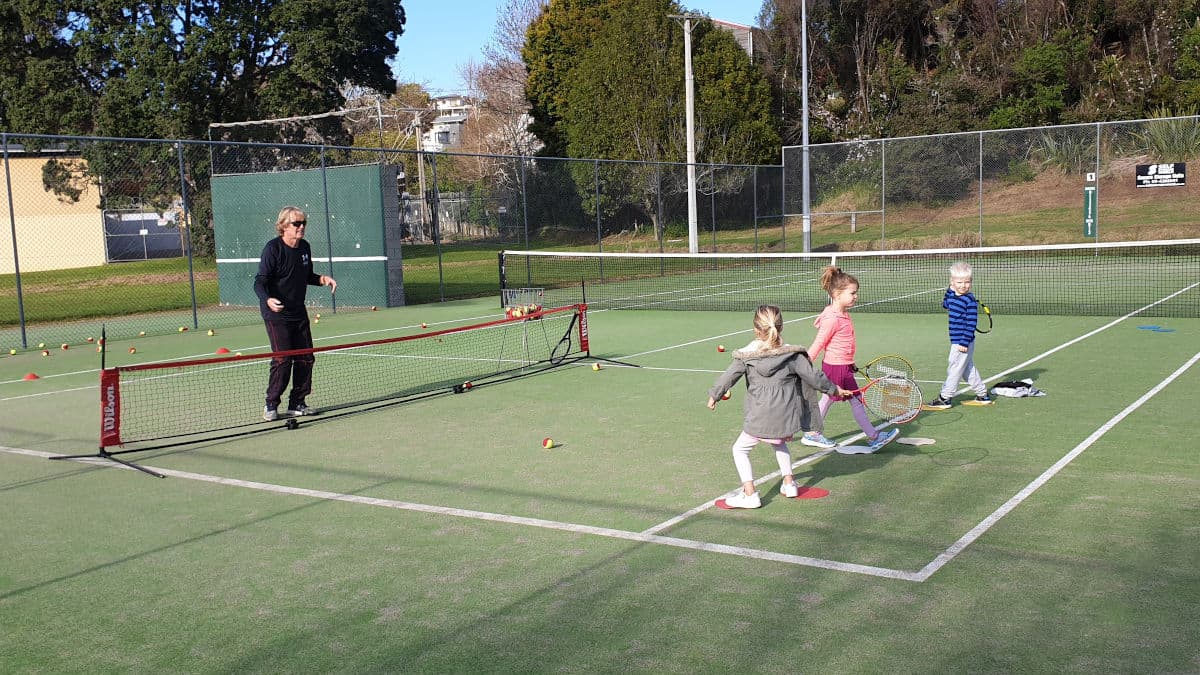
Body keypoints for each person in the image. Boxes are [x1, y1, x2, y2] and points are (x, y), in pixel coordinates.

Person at [707, 305, 849, 509]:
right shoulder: (792, 355)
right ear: (780, 327)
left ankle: (749, 494)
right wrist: (834, 390)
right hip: (785, 417)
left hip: (759, 416)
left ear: (756, 330)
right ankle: (789, 484)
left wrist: (714, 395)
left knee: (739, 449)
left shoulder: (746, 357)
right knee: (779, 443)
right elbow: (814, 377)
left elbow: (728, 377)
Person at [254, 206, 337, 421]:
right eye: (296, 224)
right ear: (283, 226)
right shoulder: (273, 249)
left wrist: (322, 279)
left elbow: (307, 276)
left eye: (303, 223)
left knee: (306, 358)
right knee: (283, 359)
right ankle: (271, 404)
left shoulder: (304, 248)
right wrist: (267, 299)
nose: (301, 227)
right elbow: (260, 281)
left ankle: (297, 403)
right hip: (276, 313)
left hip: (298, 311)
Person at [807, 265, 901, 452]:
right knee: (847, 399)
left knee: (837, 399)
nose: (856, 296)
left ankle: (813, 433)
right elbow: (819, 342)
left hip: (843, 366)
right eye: (852, 293)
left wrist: (849, 362)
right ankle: (872, 436)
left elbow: (843, 343)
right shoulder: (833, 318)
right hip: (836, 367)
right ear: (837, 294)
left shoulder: (841, 314)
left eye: (856, 292)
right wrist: (805, 362)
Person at [925, 261, 993, 409]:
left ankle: (945, 398)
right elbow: (945, 304)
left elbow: (971, 323)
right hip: (957, 340)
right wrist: (949, 291)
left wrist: (963, 342)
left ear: (971, 282)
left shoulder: (970, 300)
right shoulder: (953, 296)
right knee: (967, 369)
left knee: (954, 369)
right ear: (952, 282)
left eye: (967, 282)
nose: (963, 285)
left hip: (962, 341)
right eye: (959, 282)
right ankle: (983, 395)